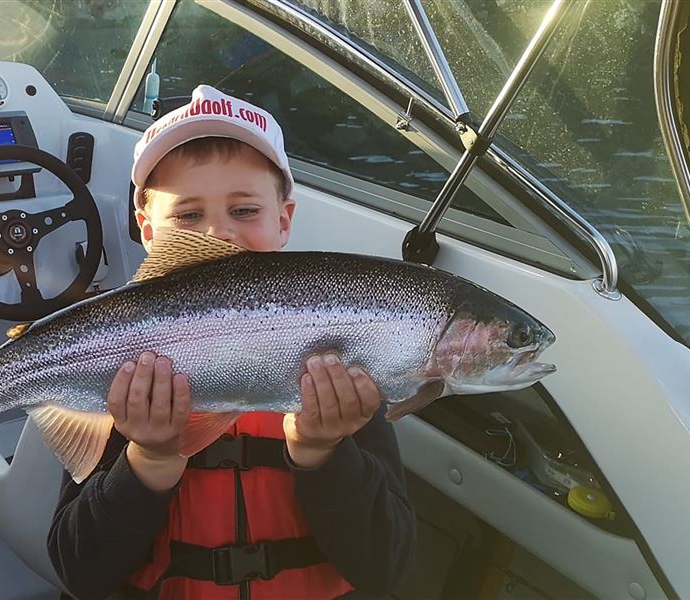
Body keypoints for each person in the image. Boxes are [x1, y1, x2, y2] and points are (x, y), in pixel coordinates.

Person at [47, 84, 415, 600]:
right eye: (188, 216)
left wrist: (323, 451)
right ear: (148, 232)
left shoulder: (340, 364)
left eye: (244, 211)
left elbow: (387, 568)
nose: (219, 233)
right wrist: (148, 460)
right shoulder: (117, 355)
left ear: (283, 219)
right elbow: (79, 572)